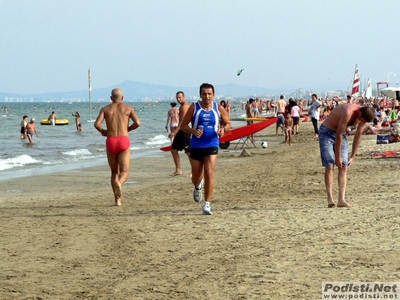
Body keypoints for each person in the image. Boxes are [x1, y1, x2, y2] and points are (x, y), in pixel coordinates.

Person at [180, 83, 231, 215]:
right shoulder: (194, 107)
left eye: (209, 94)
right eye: (204, 94)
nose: (207, 96)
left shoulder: (218, 108)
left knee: (209, 172)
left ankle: (207, 204)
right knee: (196, 177)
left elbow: (228, 123)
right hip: (196, 145)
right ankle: (197, 186)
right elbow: (183, 126)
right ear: (200, 94)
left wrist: (223, 130)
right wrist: (193, 131)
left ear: (213, 95)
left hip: (212, 143)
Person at [319, 104, 375, 208]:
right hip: (327, 132)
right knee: (330, 165)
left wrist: (353, 155)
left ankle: (341, 199)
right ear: (360, 113)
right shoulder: (348, 112)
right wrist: (337, 157)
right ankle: (330, 198)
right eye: (361, 120)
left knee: (344, 166)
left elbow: (358, 135)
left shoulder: (363, 117)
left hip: (341, 134)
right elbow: (339, 134)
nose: (361, 122)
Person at [94, 88, 141, 206]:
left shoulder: (105, 109)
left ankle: (117, 200)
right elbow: (138, 123)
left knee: (114, 171)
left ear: (111, 98)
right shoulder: (128, 108)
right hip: (123, 140)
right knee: (124, 171)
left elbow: (96, 124)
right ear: (122, 98)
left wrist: (104, 131)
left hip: (111, 140)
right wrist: (128, 129)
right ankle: (119, 183)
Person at [168, 91, 191, 177]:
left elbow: (182, 122)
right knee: (174, 150)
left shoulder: (185, 107)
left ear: (184, 97)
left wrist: (174, 132)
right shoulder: (181, 107)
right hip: (181, 130)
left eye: (180, 97)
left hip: (185, 131)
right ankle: (178, 170)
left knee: (188, 152)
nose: (179, 99)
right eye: (177, 98)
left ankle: (194, 171)